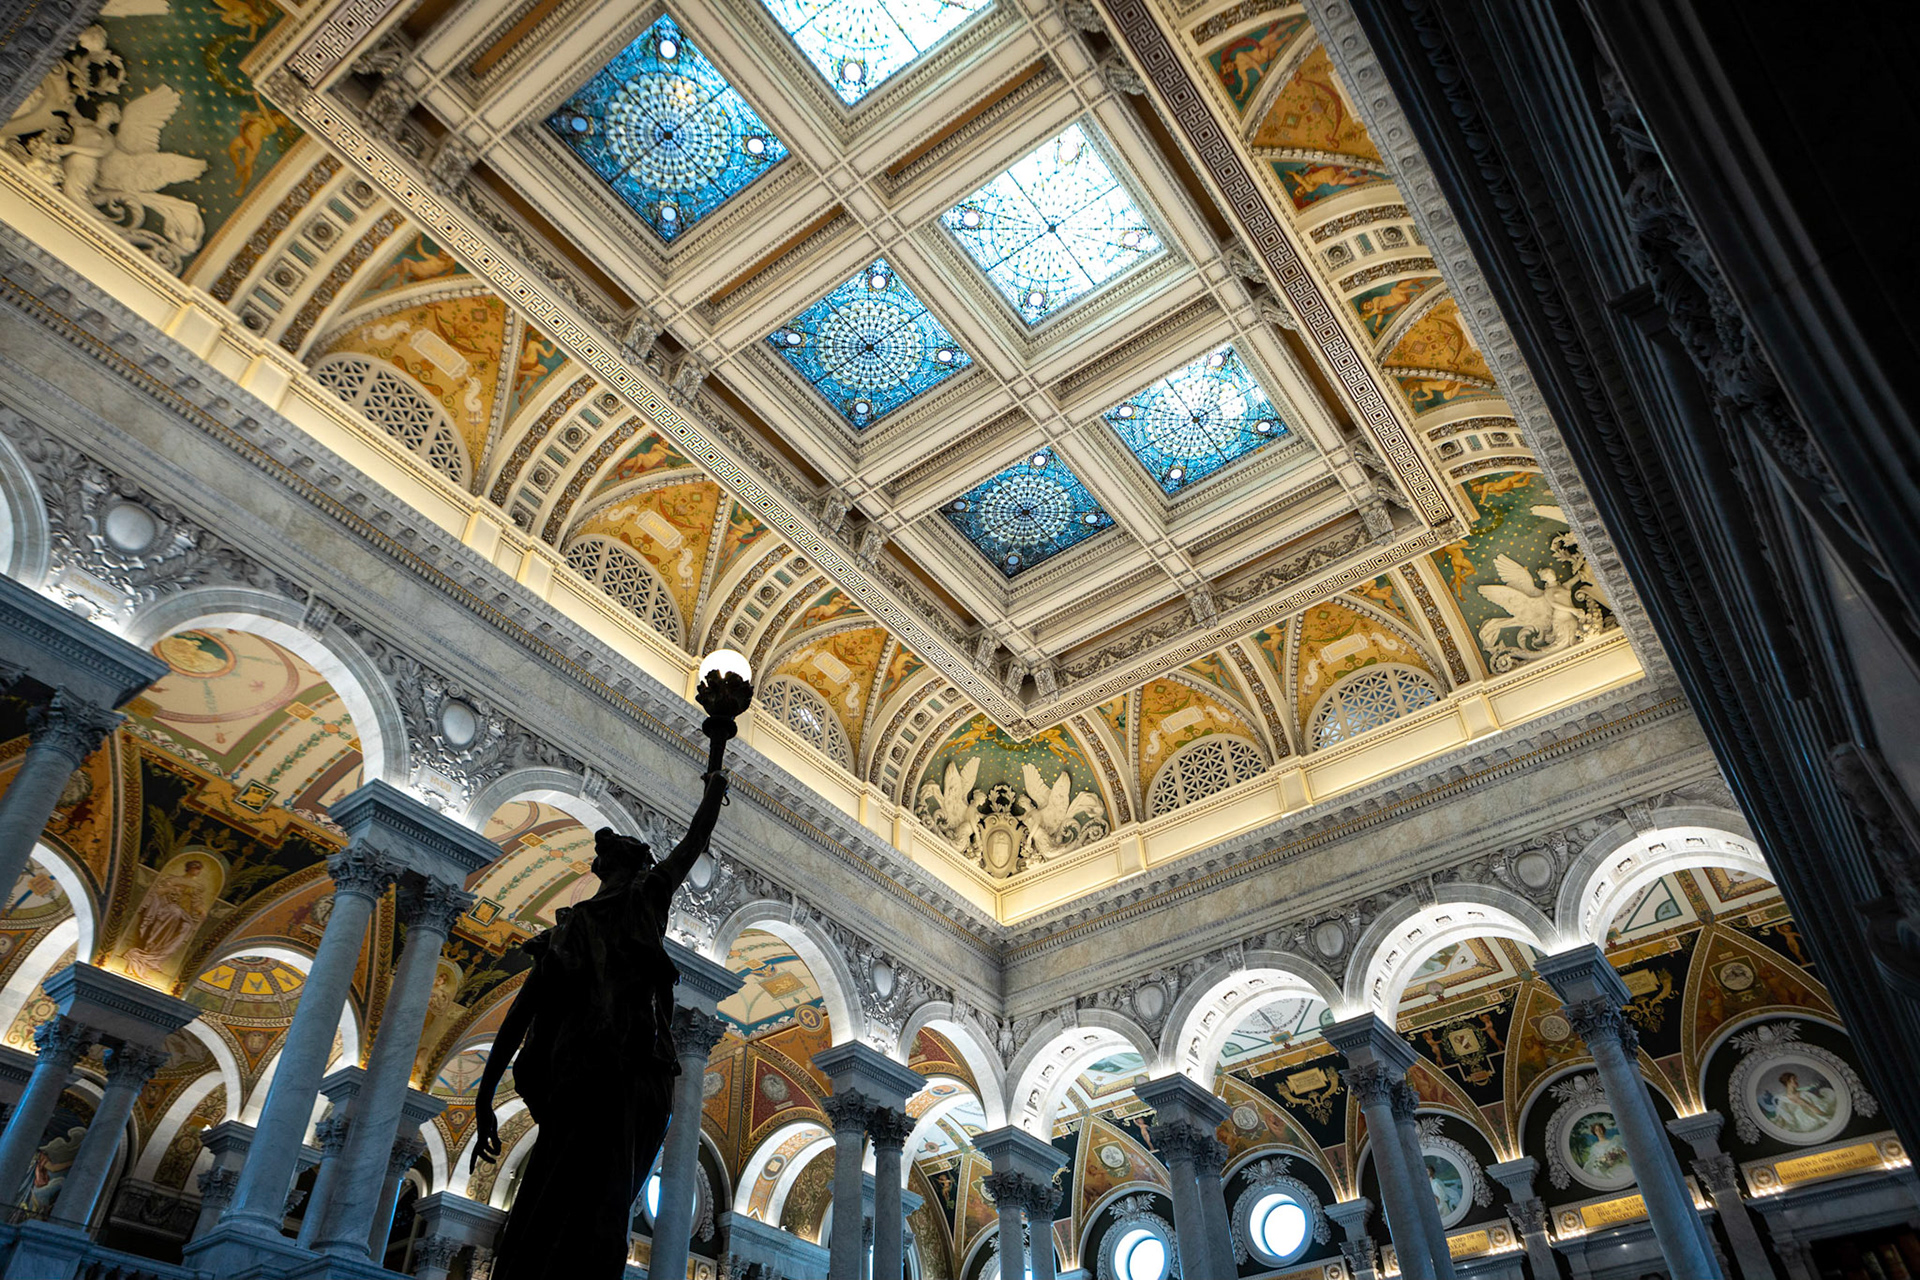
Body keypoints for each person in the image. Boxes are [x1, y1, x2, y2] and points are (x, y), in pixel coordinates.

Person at [470, 769, 731, 1280]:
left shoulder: (626, 907)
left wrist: (716, 783)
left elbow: (519, 1018)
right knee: (578, 1203)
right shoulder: (581, 926)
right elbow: (523, 1014)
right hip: (595, 1079)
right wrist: (483, 1099)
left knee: (578, 1201)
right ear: (625, 867)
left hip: (615, 1077)